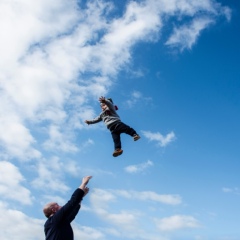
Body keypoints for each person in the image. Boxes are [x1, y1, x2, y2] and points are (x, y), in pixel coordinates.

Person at [43, 176, 92, 240]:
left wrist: (81, 196)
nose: (61, 206)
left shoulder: (60, 222)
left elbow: (73, 210)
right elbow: (72, 202)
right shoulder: (54, 220)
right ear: (53, 209)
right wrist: (83, 183)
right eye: (57, 205)